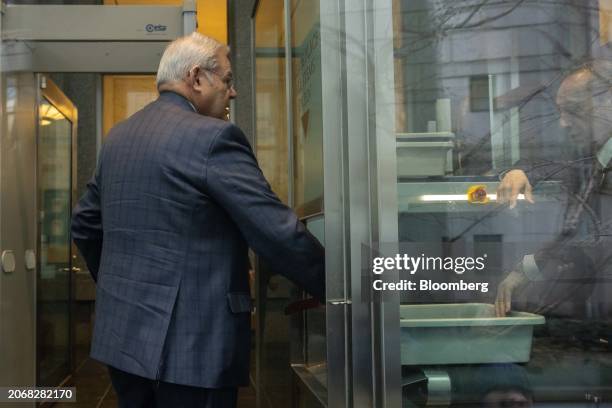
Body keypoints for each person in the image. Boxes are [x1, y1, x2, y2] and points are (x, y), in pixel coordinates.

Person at [71, 33, 325, 408]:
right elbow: (276, 232)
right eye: (226, 79)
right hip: (193, 348)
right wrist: (341, 286)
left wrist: (119, 288)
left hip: (123, 340)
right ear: (196, 78)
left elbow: (85, 225)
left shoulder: (118, 137)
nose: (233, 92)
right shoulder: (214, 138)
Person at [495, 60, 612, 318]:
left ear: (608, 102)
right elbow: (549, 164)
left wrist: (527, 269)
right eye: (561, 112)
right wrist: (519, 172)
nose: (563, 123)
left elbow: (591, 246)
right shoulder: (591, 155)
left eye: (573, 110)